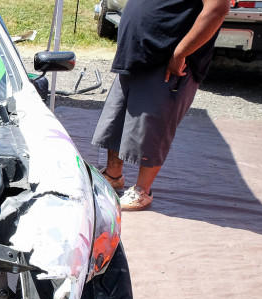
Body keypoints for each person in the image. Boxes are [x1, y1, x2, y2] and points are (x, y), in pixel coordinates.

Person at [91, 0, 229, 211]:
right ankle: (113, 175)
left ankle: (142, 190)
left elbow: (217, 9)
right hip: (137, 52)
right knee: (118, 119)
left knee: (154, 125)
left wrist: (180, 53)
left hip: (168, 60)